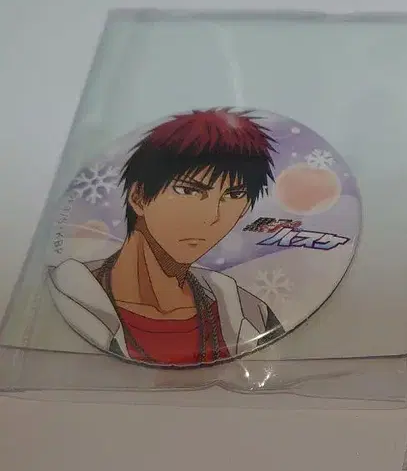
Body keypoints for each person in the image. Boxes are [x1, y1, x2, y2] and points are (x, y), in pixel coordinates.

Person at [48, 108, 283, 365]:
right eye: (188, 190)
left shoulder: (250, 313)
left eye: (234, 195)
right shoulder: (66, 297)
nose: (211, 217)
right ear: (138, 197)